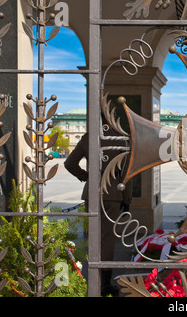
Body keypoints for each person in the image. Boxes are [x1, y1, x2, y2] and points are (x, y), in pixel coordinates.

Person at [64, 119, 132, 296]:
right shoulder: (122, 139)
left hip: (92, 193)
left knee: (93, 236)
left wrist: (88, 178)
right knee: (107, 239)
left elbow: (69, 163)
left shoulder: (89, 138)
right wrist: (127, 198)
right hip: (113, 193)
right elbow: (127, 171)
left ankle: (92, 278)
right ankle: (105, 283)